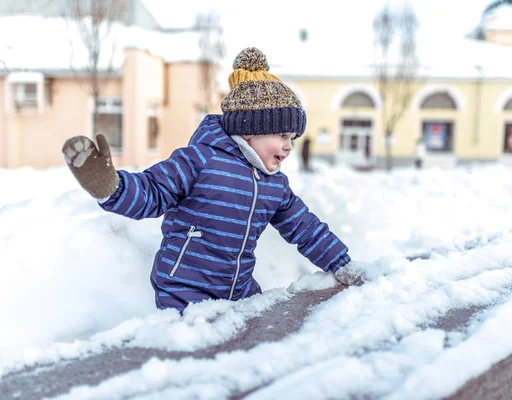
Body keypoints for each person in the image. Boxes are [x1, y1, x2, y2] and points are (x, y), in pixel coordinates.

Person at [61, 47, 364, 312]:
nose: (288, 145)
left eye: (292, 138)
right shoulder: (201, 160)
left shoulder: (276, 186)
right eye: (282, 135)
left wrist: (341, 263)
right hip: (184, 287)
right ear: (251, 130)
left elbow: (306, 229)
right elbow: (153, 191)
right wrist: (112, 188)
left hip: (238, 290)